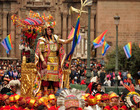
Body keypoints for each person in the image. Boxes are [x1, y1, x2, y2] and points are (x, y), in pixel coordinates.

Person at [34, 19, 73, 96]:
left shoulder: (55, 38)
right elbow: (40, 52)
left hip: (55, 61)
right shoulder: (42, 40)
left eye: (50, 29)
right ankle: (45, 94)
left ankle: (56, 94)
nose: (49, 31)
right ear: (45, 30)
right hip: (46, 61)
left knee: (55, 79)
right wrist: (43, 61)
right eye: (48, 29)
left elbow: (65, 41)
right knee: (45, 78)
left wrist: (74, 37)